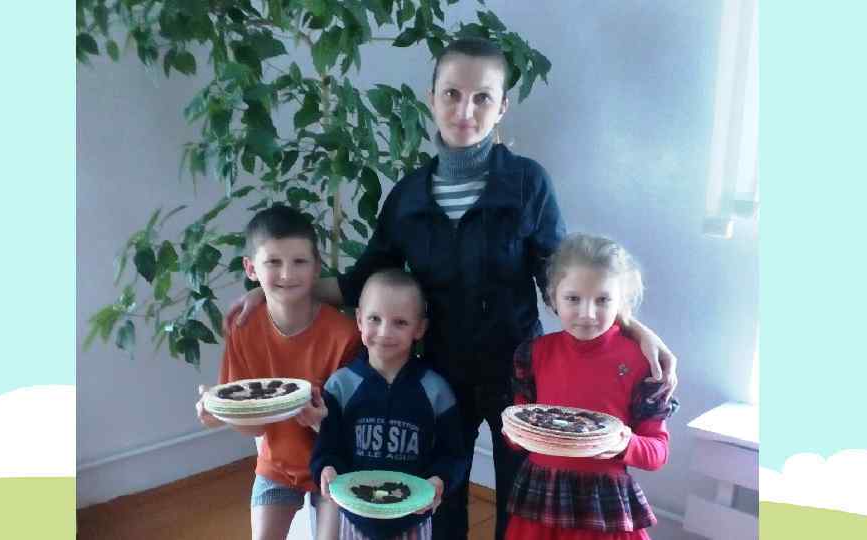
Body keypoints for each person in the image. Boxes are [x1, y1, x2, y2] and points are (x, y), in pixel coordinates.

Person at [225, 38, 679, 540]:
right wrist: (275, 293)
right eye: (452, 94)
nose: (465, 110)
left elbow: (563, 280)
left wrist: (632, 327)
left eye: (482, 97)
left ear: (502, 106)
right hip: (440, 371)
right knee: (441, 494)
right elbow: (360, 280)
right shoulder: (406, 197)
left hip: (518, 374)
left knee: (519, 500)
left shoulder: (528, 183)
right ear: (432, 97)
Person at [196, 204, 361, 540]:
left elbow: (355, 427)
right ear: (251, 268)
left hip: (336, 465)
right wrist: (220, 414)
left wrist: (320, 421)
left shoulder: (345, 335)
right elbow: (255, 426)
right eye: (273, 262)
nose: (287, 274)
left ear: (317, 268)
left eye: (299, 261)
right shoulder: (243, 329)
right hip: (277, 468)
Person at [505, 233, 679, 540]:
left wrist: (625, 444)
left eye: (603, 300)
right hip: (540, 500)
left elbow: (658, 452)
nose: (587, 313)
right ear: (552, 298)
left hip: (602, 506)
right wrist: (516, 434)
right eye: (573, 298)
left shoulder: (643, 363)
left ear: (621, 303)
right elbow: (518, 436)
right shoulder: (533, 355)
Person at [311, 269, 466, 539]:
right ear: (359, 319)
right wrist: (326, 468)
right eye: (375, 319)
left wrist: (439, 480)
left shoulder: (436, 390)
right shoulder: (340, 386)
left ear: (419, 329)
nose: (385, 332)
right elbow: (327, 447)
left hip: (412, 519)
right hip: (355, 517)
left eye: (400, 322)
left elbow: (452, 454)